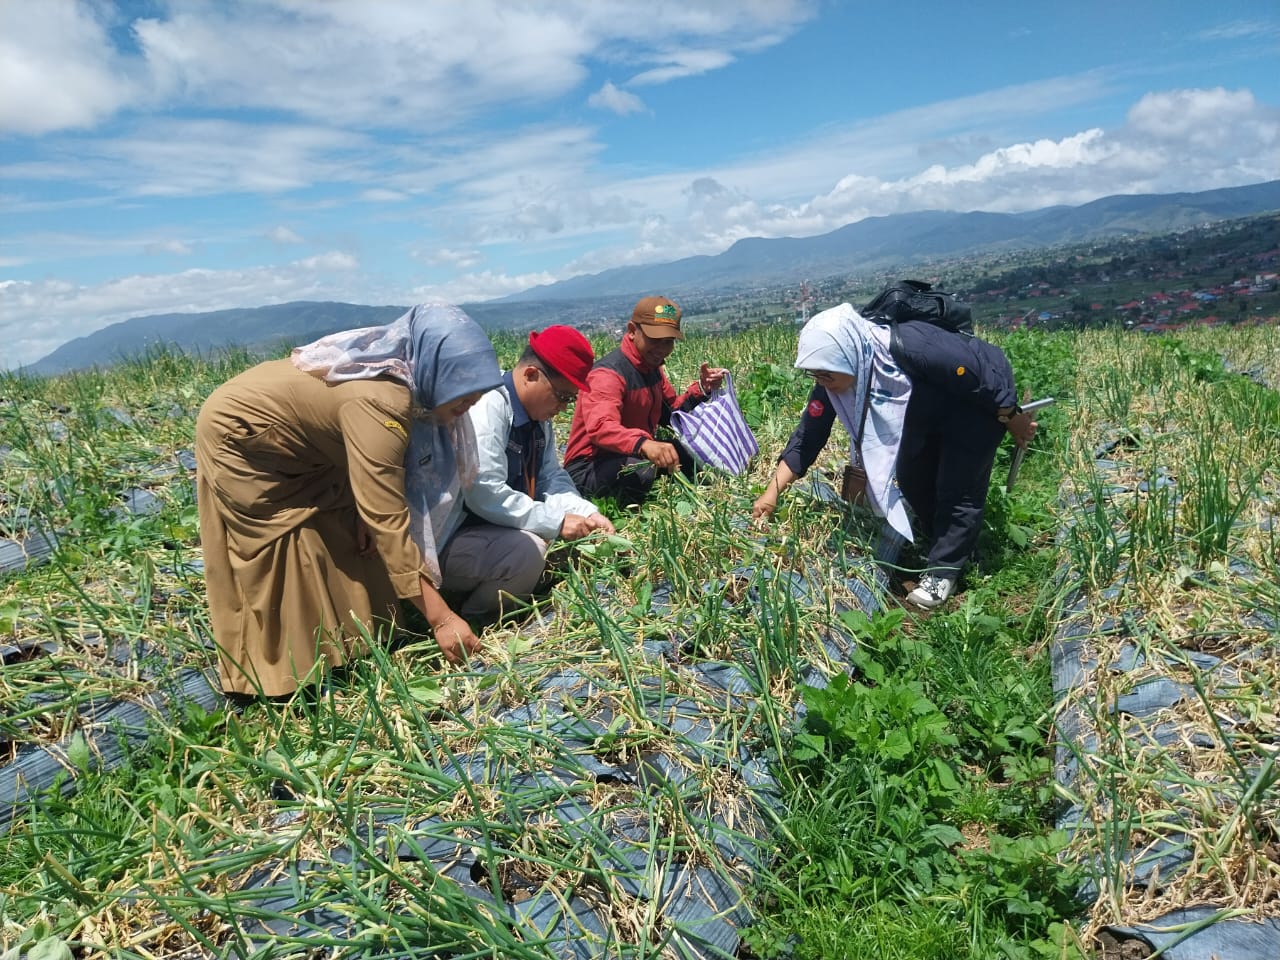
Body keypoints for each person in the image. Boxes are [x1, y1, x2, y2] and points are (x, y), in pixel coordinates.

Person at [195, 303, 502, 696]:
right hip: (244, 438)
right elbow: (388, 521)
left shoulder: (407, 381)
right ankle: (286, 677)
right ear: (433, 368)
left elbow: (379, 491)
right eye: (462, 389)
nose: (470, 402)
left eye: (476, 391)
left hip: (311, 446)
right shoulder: (382, 402)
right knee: (292, 544)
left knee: (350, 532)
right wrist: (442, 620)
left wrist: (365, 510)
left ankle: (355, 644)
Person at [751, 303, 1037, 609]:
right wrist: (772, 493)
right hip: (924, 415)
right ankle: (953, 548)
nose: (821, 382)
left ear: (848, 357)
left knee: (958, 488)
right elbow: (809, 435)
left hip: (975, 405)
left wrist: (1011, 416)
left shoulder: (911, 348)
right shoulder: (835, 377)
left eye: (825, 375)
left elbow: (978, 373)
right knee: (914, 479)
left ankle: (943, 573)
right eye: (815, 375)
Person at [443, 326, 617, 616]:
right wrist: (557, 522)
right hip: (452, 539)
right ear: (531, 375)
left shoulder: (536, 416)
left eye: (570, 399)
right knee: (528, 553)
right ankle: (475, 618)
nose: (563, 407)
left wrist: (586, 513)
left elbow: (550, 475)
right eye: (562, 396)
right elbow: (484, 492)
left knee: (562, 548)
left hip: (486, 534)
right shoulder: (488, 406)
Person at [563, 295, 729, 506]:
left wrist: (702, 389)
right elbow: (601, 428)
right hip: (589, 468)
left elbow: (672, 414)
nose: (661, 348)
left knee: (690, 453)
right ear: (632, 331)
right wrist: (644, 444)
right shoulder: (608, 375)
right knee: (641, 471)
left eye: (668, 342)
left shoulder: (653, 370)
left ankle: (709, 498)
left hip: (634, 454)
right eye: (654, 340)